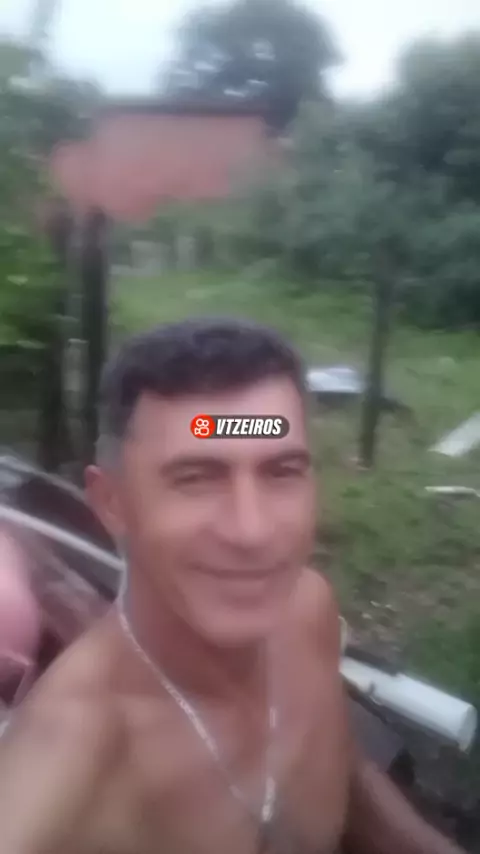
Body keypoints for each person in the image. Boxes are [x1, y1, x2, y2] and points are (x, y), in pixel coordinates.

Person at [0, 318, 466, 853]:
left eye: (281, 471)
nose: (252, 531)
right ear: (113, 504)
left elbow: (340, 765)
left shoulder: (306, 608)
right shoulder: (68, 761)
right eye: (196, 478)